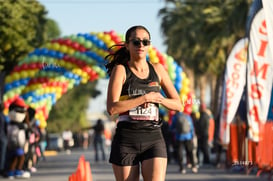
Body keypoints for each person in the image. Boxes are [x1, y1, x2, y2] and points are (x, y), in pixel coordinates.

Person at [105, 25, 182, 181]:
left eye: (145, 42)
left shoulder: (158, 69)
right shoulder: (121, 70)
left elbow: (178, 105)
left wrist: (157, 98)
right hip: (127, 139)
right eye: (136, 42)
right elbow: (112, 108)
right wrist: (144, 98)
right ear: (127, 45)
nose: (141, 45)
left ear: (149, 45)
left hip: (153, 137)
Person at [0, 102, 7, 176]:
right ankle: (1, 169)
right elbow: (6, 128)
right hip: (2, 137)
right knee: (2, 154)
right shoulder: (3, 116)